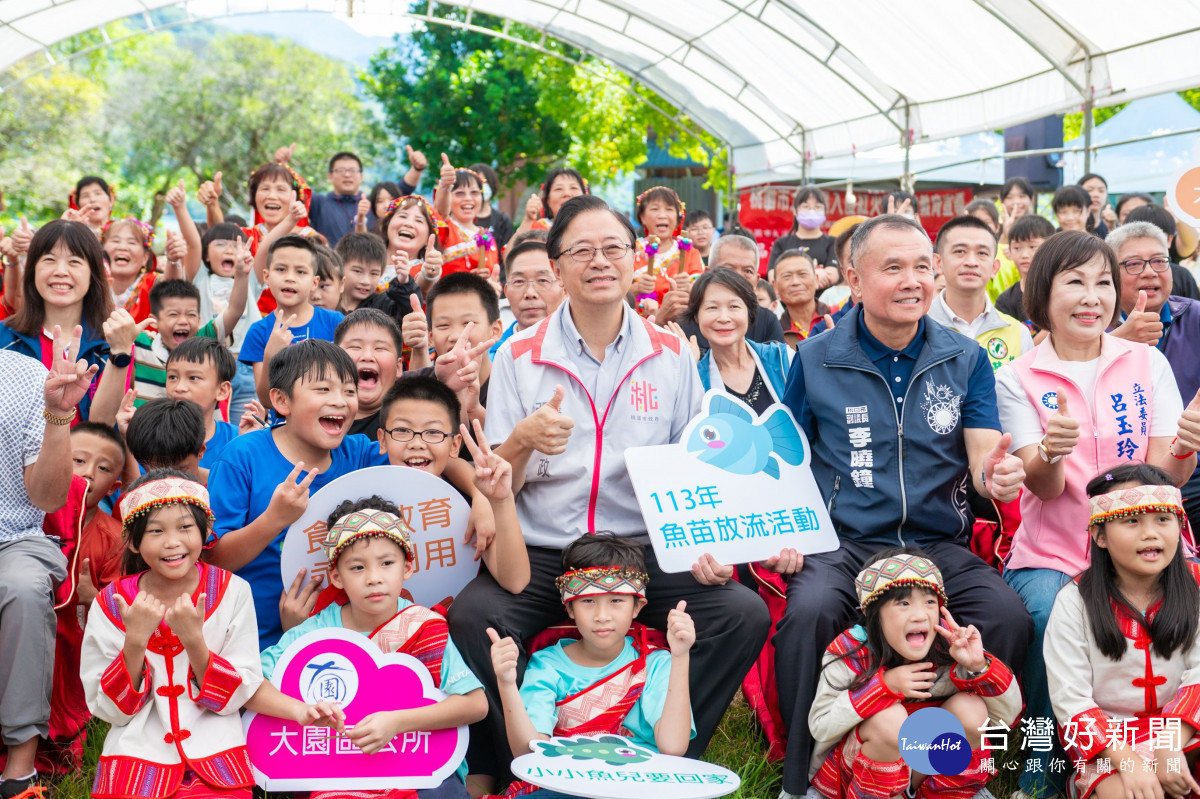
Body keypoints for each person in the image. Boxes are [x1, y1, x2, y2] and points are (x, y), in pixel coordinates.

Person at [451, 195, 770, 793]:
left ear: (635, 259)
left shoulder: (672, 352)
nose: (600, 262)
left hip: (641, 550)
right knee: (477, 617)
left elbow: (689, 462)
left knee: (739, 614)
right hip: (546, 550)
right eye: (582, 251)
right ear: (558, 267)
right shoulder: (517, 356)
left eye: (614, 248)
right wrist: (521, 440)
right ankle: (508, 768)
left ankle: (662, 757)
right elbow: (500, 483)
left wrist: (700, 544)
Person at [774, 213, 1033, 798]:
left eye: (922, 267)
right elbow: (786, 456)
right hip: (846, 543)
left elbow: (981, 460)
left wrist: (997, 477)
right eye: (893, 267)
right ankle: (805, 774)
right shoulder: (815, 357)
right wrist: (785, 529)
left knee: (1007, 617)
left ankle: (959, 766)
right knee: (808, 612)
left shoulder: (964, 357)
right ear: (854, 279)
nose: (913, 280)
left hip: (935, 544)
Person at [995, 229, 1200, 799]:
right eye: (1075, 282)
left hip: (1145, 543)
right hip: (1057, 550)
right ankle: (1045, 759)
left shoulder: (1146, 361)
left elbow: (1165, 483)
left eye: (1103, 283)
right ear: (1042, 293)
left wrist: (1187, 445)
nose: (1092, 297)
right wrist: (1052, 452)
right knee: (1041, 615)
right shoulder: (1017, 377)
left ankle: (1160, 739)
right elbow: (1044, 484)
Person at [80, 470, 342, 799]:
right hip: (136, 760)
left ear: (206, 531)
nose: (172, 542)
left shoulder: (232, 591)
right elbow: (111, 710)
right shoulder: (111, 603)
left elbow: (239, 691)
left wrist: (194, 640)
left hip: (216, 758)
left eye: (185, 527)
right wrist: (135, 641)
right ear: (133, 541)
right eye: (156, 531)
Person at [261, 495, 490, 798]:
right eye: (357, 568)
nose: (373, 578)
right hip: (333, 771)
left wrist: (397, 722)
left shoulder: (423, 626)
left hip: (417, 767)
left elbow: (475, 704)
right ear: (336, 577)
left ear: (407, 568)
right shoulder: (314, 634)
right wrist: (300, 710)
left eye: (386, 563)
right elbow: (252, 683)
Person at [207, 340, 388, 646]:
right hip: (253, 639)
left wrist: (480, 498)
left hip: (348, 638)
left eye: (349, 390)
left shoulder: (359, 454)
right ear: (281, 400)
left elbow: (424, 456)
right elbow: (213, 560)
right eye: (323, 389)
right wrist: (274, 520)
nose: (341, 401)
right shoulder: (242, 457)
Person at [487, 534, 697, 797]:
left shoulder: (655, 663)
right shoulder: (548, 664)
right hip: (566, 784)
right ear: (570, 608)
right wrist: (506, 683)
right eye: (588, 601)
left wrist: (680, 656)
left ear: (637, 606)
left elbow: (673, 747)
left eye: (616, 600)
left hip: (637, 784)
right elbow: (529, 752)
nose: (601, 616)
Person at [808, 549, 1022, 799]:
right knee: (889, 721)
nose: (920, 614)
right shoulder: (851, 653)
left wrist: (978, 665)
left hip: (922, 776)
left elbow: (1004, 718)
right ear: (871, 612)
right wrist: (882, 686)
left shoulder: (951, 649)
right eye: (903, 602)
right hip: (856, 773)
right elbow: (821, 727)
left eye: (930, 601)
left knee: (971, 710)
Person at [1044, 464, 1200, 799]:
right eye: (1132, 520)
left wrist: (1169, 743)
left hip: (1185, 730)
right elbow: (1071, 701)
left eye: (1163, 518)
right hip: (1110, 745)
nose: (1151, 533)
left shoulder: (1196, 587)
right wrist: (1128, 760)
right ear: (1100, 535)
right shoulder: (1074, 602)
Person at [0, 328, 97, 798]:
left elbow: (49, 496)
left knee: (21, 587)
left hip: (13, 537)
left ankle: (19, 767)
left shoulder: (23, 376)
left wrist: (59, 414)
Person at [375, 376, 530, 592]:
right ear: (383, 440)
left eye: (433, 432)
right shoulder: (367, 501)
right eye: (402, 430)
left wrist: (500, 501)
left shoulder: (469, 505)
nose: (417, 443)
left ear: (455, 445)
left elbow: (515, 582)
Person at [1107, 221, 1200, 533]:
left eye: (1159, 261)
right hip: (1115, 480)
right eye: (1134, 264)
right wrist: (1119, 339)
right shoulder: (1090, 327)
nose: (1149, 272)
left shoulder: (1195, 317)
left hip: (1192, 471)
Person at [0, 220, 126, 423]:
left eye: (74, 261)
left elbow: (107, 426)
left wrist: (121, 352)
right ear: (32, 270)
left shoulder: (111, 341)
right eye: (49, 259)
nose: (61, 271)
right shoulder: (4, 339)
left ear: (93, 275)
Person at [239, 235, 345, 405]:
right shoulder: (259, 331)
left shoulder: (336, 322)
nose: (290, 277)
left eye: (300, 272)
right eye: (281, 269)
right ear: (266, 276)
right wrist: (270, 354)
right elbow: (266, 400)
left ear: (314, 282)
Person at [927, 215, 1033, 371]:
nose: (971, 262)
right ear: (938, 263)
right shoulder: (915, 328)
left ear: (994, 268)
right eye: (960, 251)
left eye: (982, 253)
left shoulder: (1018, 333)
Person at [131, 274, 249, 408]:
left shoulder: (204, 339)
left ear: (199, 321)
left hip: (200, 427)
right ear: (155, 321)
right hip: (149, 427)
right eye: (173, 314)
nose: (183, 321)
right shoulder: (142, 342)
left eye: (190, 315)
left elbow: (235, 310)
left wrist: (241, 273)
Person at [689, 268, 791, 416]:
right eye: (712, 307)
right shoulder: (696, 378)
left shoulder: (782, 359)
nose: (724, 318)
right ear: (697, 316)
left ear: (749, 312)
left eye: (734, 307)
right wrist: (687, 366)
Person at [407, 272, 503, 428]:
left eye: (468, 323)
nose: (457, 336)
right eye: (443, 325)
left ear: (496, 330)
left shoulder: (512, 385)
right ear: (430, 336)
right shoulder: (415, 385)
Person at [187, 222, 262, 417]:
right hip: (209, 365)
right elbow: (193, 242)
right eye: (220, 244)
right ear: (206, 255)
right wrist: (179, 207)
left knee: (244, 430)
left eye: (235, 245)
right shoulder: (200, 278)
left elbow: (267, 246)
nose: (229, 249)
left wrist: (290, 218)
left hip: (245, 368)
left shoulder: (249, 278)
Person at [674, 235, 786, 347]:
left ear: (756, 281)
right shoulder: (686, 321)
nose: (737, 277)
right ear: (708, 273)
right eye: (728, 270)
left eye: (747, 271)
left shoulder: (767, 321)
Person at [307, 151, 422, 247]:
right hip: (328, 269)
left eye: (352, 170)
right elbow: (293, 192)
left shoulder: (374, 202)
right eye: (340, 170)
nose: (347, 175)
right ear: (330, 176)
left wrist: (417, 168)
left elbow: (401, 190)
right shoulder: (318, 202)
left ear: (361, 176)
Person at [164, 337, 239, 470]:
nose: (179, 387)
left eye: (193, 378)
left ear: (222, 390)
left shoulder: (237, 440)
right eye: (173, 377)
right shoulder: (153, 435)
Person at [489, 236, 564, 357]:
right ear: (506, 291)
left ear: (564, 288)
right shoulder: (492, 357)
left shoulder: (587, 349)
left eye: (543, 280)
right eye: (519, 281)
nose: (530, 293)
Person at [335, 308, 405, 438]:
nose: (367, 356)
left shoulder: (406, 426)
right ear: (333, 359)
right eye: (355, 346)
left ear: (398, 366)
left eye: (380, 348)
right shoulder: (314, 420)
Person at [632, 186, 704, 311]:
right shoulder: (631, 252)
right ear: (642, 217)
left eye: (669, 209)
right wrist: (636, 288)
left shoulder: (690, 254)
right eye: (655, 209)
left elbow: (705, 296)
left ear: (677, 218)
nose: (662, 215)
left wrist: (690, 288)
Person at [334, 231, 422, 330]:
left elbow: (406, 313)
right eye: (358, 271)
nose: (366, 281)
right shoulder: (327, 300)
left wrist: (404, 283)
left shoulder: (382, 304)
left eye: (374, 273)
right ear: (339, 268)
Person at [434, 157, 500, 279]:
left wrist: (489, 281)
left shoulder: (486, 236)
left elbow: (495, 280)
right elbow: (441, 210)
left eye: (474, 193)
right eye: (460, 193)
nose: (468, 198)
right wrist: (445, 185)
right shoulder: (445, 227)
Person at [1122, 203, 1200, 301]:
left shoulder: (1182, 276)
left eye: (1157, 236)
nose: (1149, 273)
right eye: (1142, 235)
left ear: (1169, 240)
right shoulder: (1119, 272)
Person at [768, 187, 840, 291]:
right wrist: (815, 273)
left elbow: (832, 275)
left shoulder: (833, 242)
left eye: (817, 207)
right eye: (806, 206)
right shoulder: (781, 243)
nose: (811, 211)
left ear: (825, 211)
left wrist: (791, 277)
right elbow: (772, 276)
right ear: (795, 211)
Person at [994, 215, 1056, 331]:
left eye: (1033, 247)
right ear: (1010, 251)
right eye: (1017, 248)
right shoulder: (1005, 301)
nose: (1024, 255)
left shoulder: (1061, 291)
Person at [774, 250, 831, 347]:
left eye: (802, 274)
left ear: (816, 279)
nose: (795, 282)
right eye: (787, 277)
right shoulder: (775, 333)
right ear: (775, 286)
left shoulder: (838, 316)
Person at [514, 167, 588, 237]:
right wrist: (528, 220)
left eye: (574, 187)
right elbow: (511, 250)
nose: (567, 193)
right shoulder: (538, 229)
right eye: (558, 189)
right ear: (548, 200)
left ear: (585, 196)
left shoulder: (596, 225)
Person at [471, 163, 515, 255]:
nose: (482, 187)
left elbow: (507, 255)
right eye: (478, 183)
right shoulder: (460, 219)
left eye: (485, 182)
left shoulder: (503, 221)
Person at [1078, 173, 1116, 239]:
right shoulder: (1067, 226)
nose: (1096, 194)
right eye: (1089, 190)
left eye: (1101, 191)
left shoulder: (1110, 226)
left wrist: (1111, 229)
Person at [311, 243, 343, 311]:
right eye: (309, 287)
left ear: (341, 285)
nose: (316, 296)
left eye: (323, 286)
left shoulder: (348, 321)